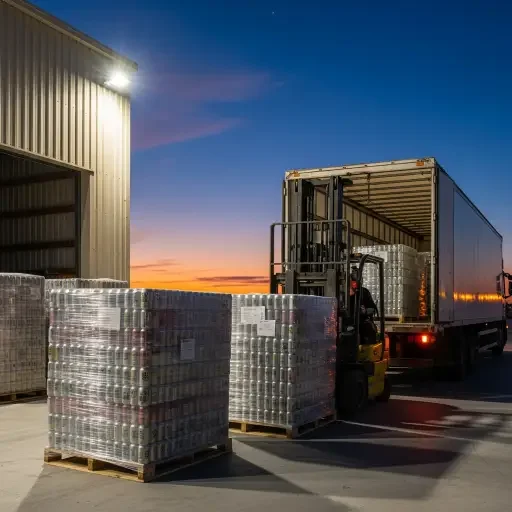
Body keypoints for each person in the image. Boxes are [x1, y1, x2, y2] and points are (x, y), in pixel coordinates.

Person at [348, 268, 378, 345]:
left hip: (361, 320)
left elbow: (372, 308)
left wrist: (365, 311)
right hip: (347, 321)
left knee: (368, 328)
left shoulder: (364, 292)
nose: (354, 284)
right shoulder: (343, 293)